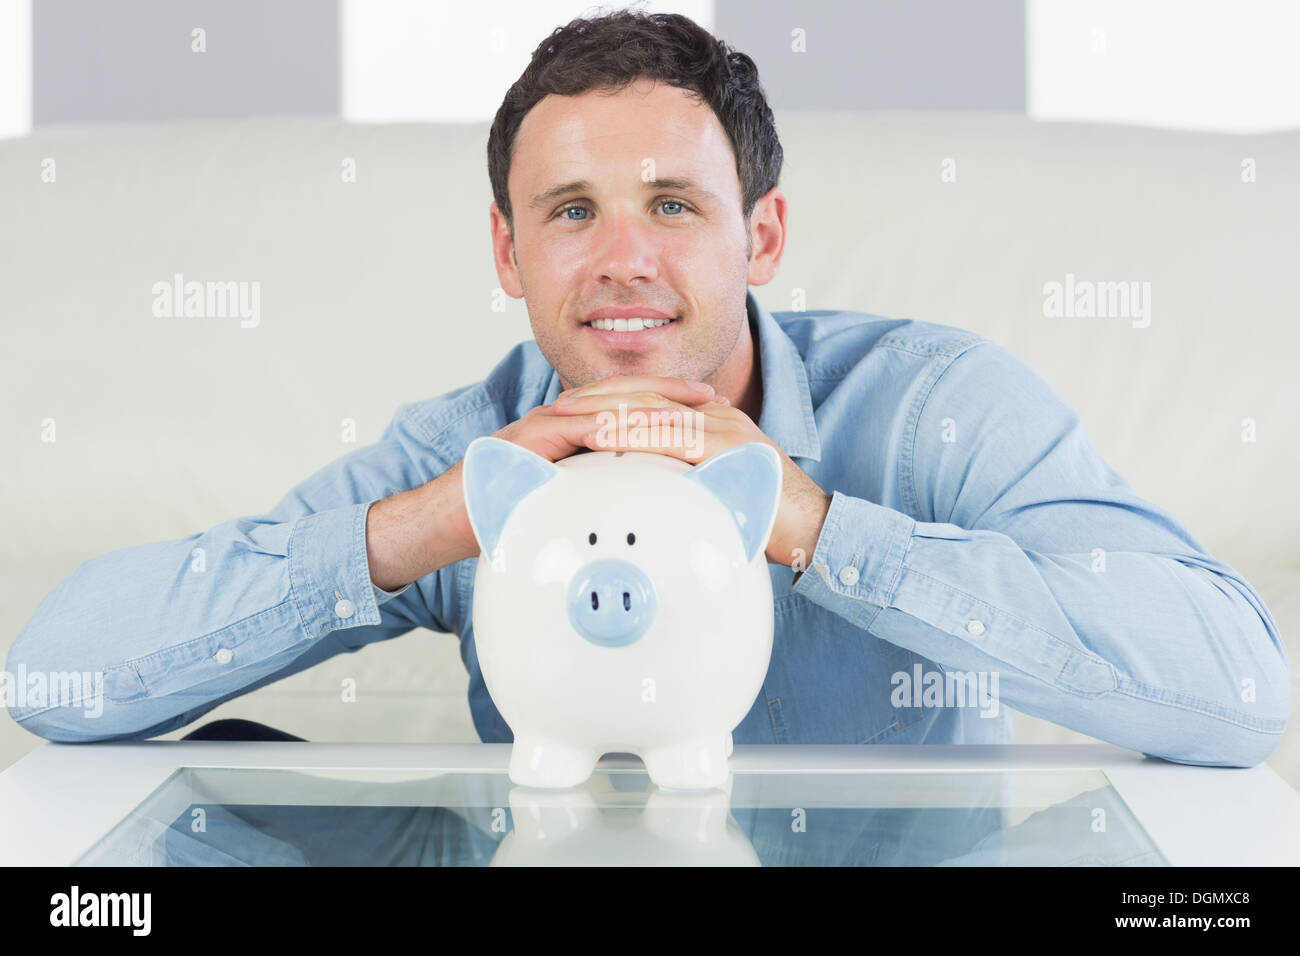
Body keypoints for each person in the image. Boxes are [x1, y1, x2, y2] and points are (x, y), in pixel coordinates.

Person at [5, 10, 1288, 768]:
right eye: (572, 211)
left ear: (762, 237)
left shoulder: (934, 404)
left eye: (674, 205)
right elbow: (55, 677)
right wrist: (426, 528)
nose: (623, 260)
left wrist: (808, 522)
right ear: (509, 252)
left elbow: (1237, 687)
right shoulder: (470, 447)